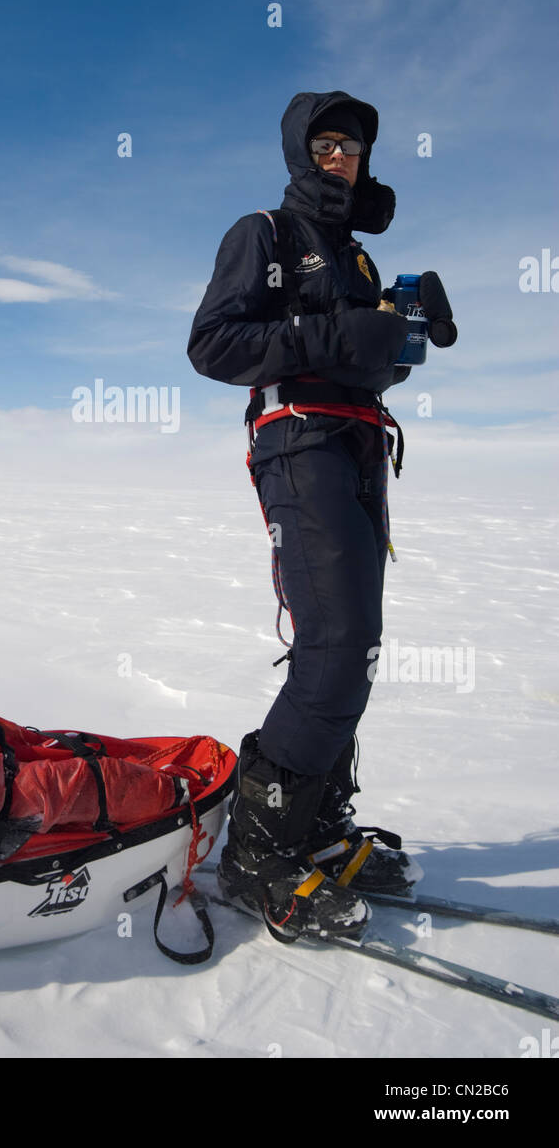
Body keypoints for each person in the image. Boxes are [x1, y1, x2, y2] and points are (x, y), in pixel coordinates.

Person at [187, 90, 423, 943]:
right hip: (298, 443)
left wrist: (396, 338)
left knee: (356, 645)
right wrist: (340, 338)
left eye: (352, 146)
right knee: (332, 643)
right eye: (325, 143)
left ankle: (313, 822)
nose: (340, 158)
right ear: (300, 152)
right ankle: (256, 852)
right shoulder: (266, 234)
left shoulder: (355, 260)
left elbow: (362, 364)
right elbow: (214, 343)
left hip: (359, 444)